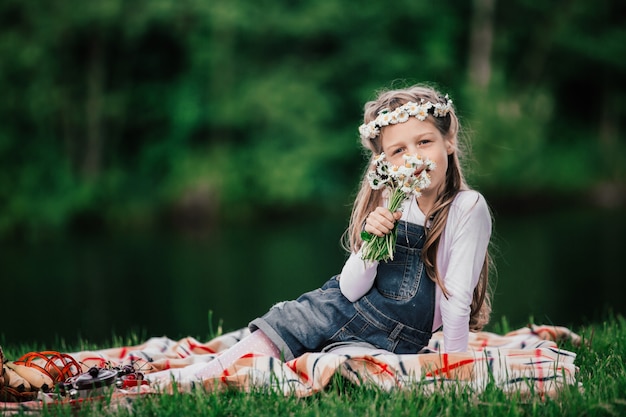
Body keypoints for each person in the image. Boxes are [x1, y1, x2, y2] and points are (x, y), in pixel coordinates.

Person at [147, 83, 493, 384]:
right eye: (399, 150)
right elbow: (351, 288)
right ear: (385, 163)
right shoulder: (393, 202)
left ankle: (182, 379)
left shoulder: (467, 207)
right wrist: (371, 245)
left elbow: (456, 297)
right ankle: (174, 379)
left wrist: (455, 364)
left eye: (424, 141)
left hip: (392, 332)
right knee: (288, 329)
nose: (415, 157)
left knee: (294, 324)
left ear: (448, 141)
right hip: (352, 315)